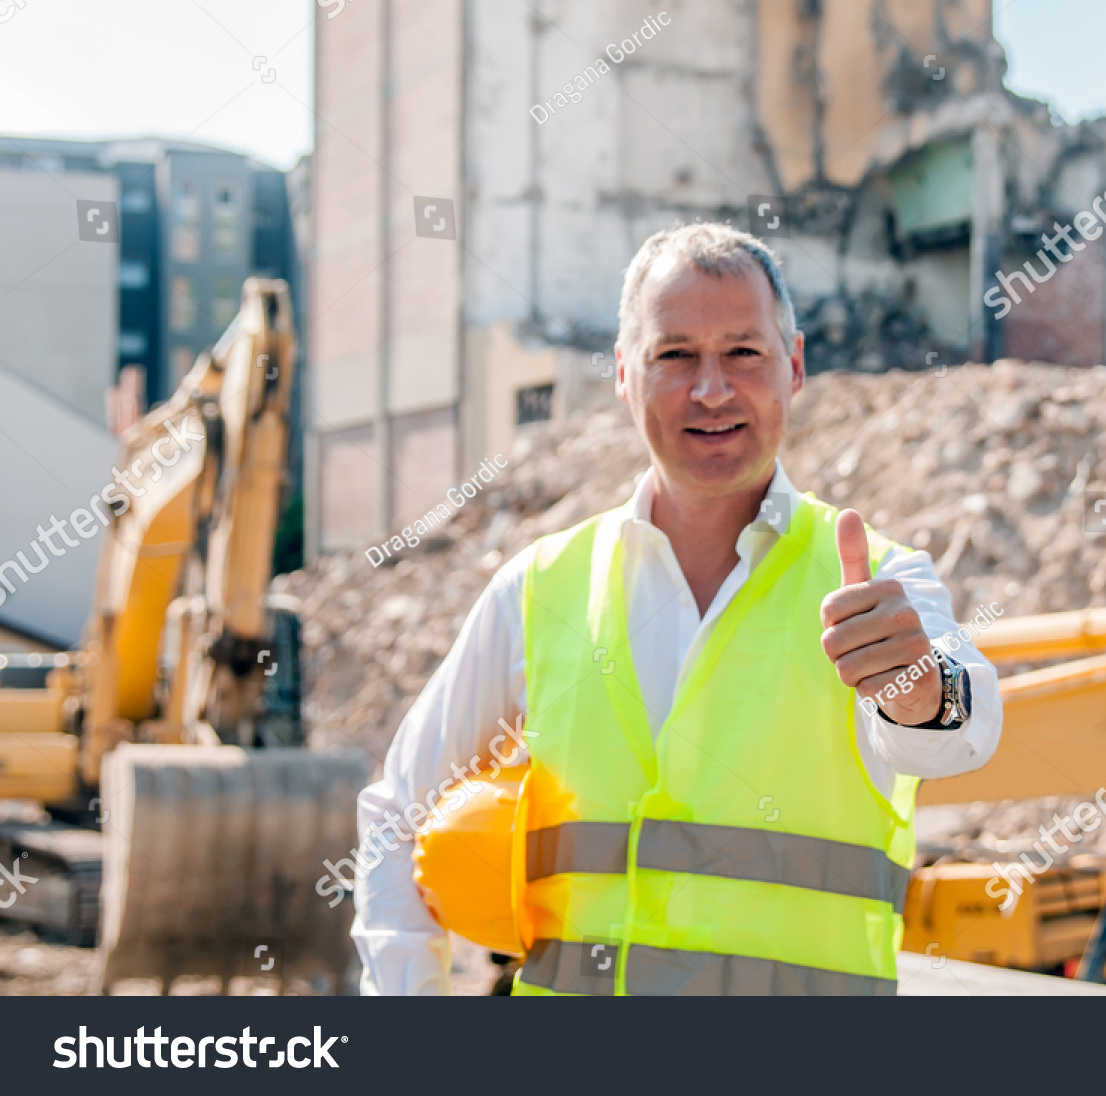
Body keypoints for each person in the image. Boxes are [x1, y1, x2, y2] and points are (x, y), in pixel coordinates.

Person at [353, 222, 1002, 995]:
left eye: (743, 352)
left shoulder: (877, 583)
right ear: (625, 374)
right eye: (675, 355)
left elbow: (962, 734)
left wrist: (921, 692)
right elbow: (398, 814)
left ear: (793, 368)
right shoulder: (538, 590)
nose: (712, 389)